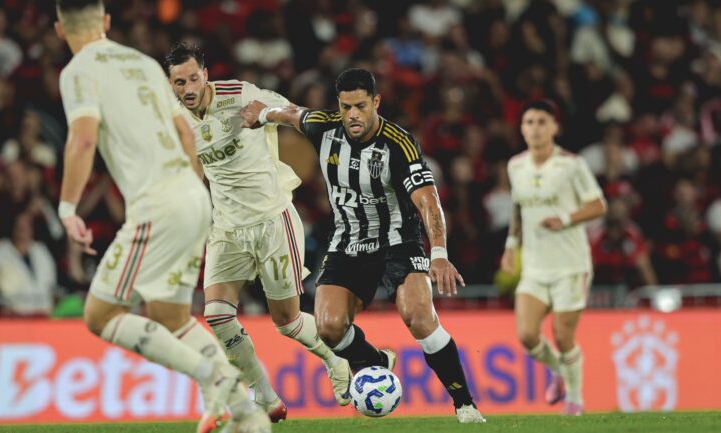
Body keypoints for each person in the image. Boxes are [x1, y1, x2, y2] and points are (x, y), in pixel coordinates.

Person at [53, 2, 270, 432]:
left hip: (157, 204)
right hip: (193, 195)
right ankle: (247, 415)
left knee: (100, 315)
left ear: (60, 30)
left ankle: (218, 378)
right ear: (107, 22)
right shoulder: (144, 62)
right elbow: (185, 133)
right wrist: (190, 191)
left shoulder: (77, 72)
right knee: (170, 316)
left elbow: (82, 140)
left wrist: (66, 207)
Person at [239, 68, 485, 424]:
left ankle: (465, 404)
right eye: (346, 106)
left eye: (360, 106)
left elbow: (428, 201)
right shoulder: (324, 126)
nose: (353, 114)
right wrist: (262, 114)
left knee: (418, 316)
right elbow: (293, 114)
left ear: (376, 103)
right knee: (328, 327)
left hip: (398, 242)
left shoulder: (398, 143)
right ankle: (375, 361)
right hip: (348, 243)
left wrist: (440, 255)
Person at [164, 43, 351, 420]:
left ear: (206, 73)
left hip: (270, 220)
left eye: (193, 78)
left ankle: (338, 361)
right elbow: (193, 171)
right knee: (216, 314)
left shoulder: (241, 94)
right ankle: (264, 396)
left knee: (288, 323)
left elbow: (296, 115)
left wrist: (266, 113)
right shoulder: (174, 119)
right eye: (178, 81)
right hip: (227, 228)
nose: (187, 88)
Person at [500, 100, 607, 416]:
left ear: (555, 127)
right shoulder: (515, 166)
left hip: (570, 266)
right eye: (529, 122)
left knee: (562, 336)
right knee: (527, 336)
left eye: (542, 121)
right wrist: (510, 245)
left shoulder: (571, 165)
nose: (535, 128)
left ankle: (574, 399)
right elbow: (518, 208)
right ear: (521, 128)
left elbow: (599, 205)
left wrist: (565, 218)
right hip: (534, 266)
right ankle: (559, 371)